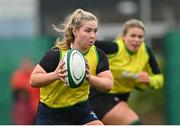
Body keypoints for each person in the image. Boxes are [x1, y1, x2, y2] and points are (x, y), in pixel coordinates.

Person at [30, 8, 113, 125]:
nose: (93, 35)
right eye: (88, 31)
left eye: (95, 31)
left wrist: (89, 77)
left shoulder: (98, 55)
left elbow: (108, 85)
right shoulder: (56, 53)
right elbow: (33, 80)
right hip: (51, 113)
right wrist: (55, 75)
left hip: (80, 109)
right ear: (75, 30)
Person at [90, 19, 164, 125]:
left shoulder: (146, 52)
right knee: (134, 123)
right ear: (124, 36)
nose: (136, 40)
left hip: (122, 98)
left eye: (140, 37)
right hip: (101, 95)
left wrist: (150, 80)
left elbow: (159, 78)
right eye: (133, 36)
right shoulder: (114, 48)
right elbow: (89, 44)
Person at [11, 58, 40, 124]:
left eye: (28, 64)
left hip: (37, 106)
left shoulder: (37, 74)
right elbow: (18, 92)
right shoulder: (17, 76)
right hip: (25, 108)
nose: (27, 66)